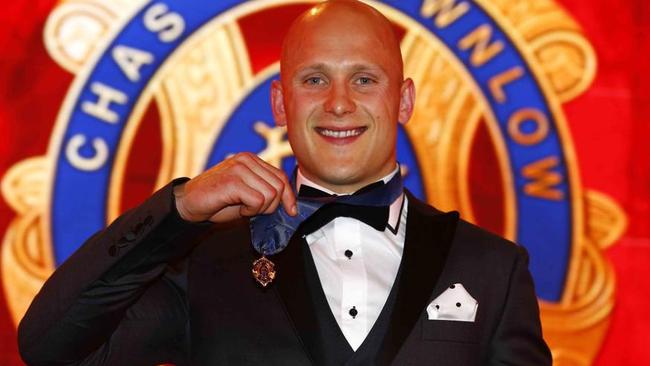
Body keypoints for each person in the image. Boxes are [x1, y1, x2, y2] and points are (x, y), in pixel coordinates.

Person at [18, 1, 552, 365]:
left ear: (404, 100)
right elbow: (50, 346)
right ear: (279, 102)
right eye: (314, 79)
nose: (339, 102)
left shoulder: (493, 269)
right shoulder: (206, 265)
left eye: (364, 79)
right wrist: (177, 210)